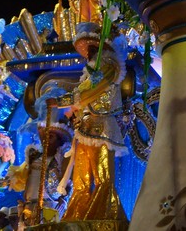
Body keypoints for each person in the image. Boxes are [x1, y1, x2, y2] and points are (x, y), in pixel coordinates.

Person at [52, 28, 129, 225]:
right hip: (84, 130)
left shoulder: (109, 68)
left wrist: (62, 101)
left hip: (102, 129)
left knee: (104, 179)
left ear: (103, 48)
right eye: (87, 50)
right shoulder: (90, 74)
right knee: (80, 182)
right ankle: (75, 221)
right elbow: (82, 94)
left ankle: (105, 220)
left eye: (93, 48)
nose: (89, 53)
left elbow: (90, 93)